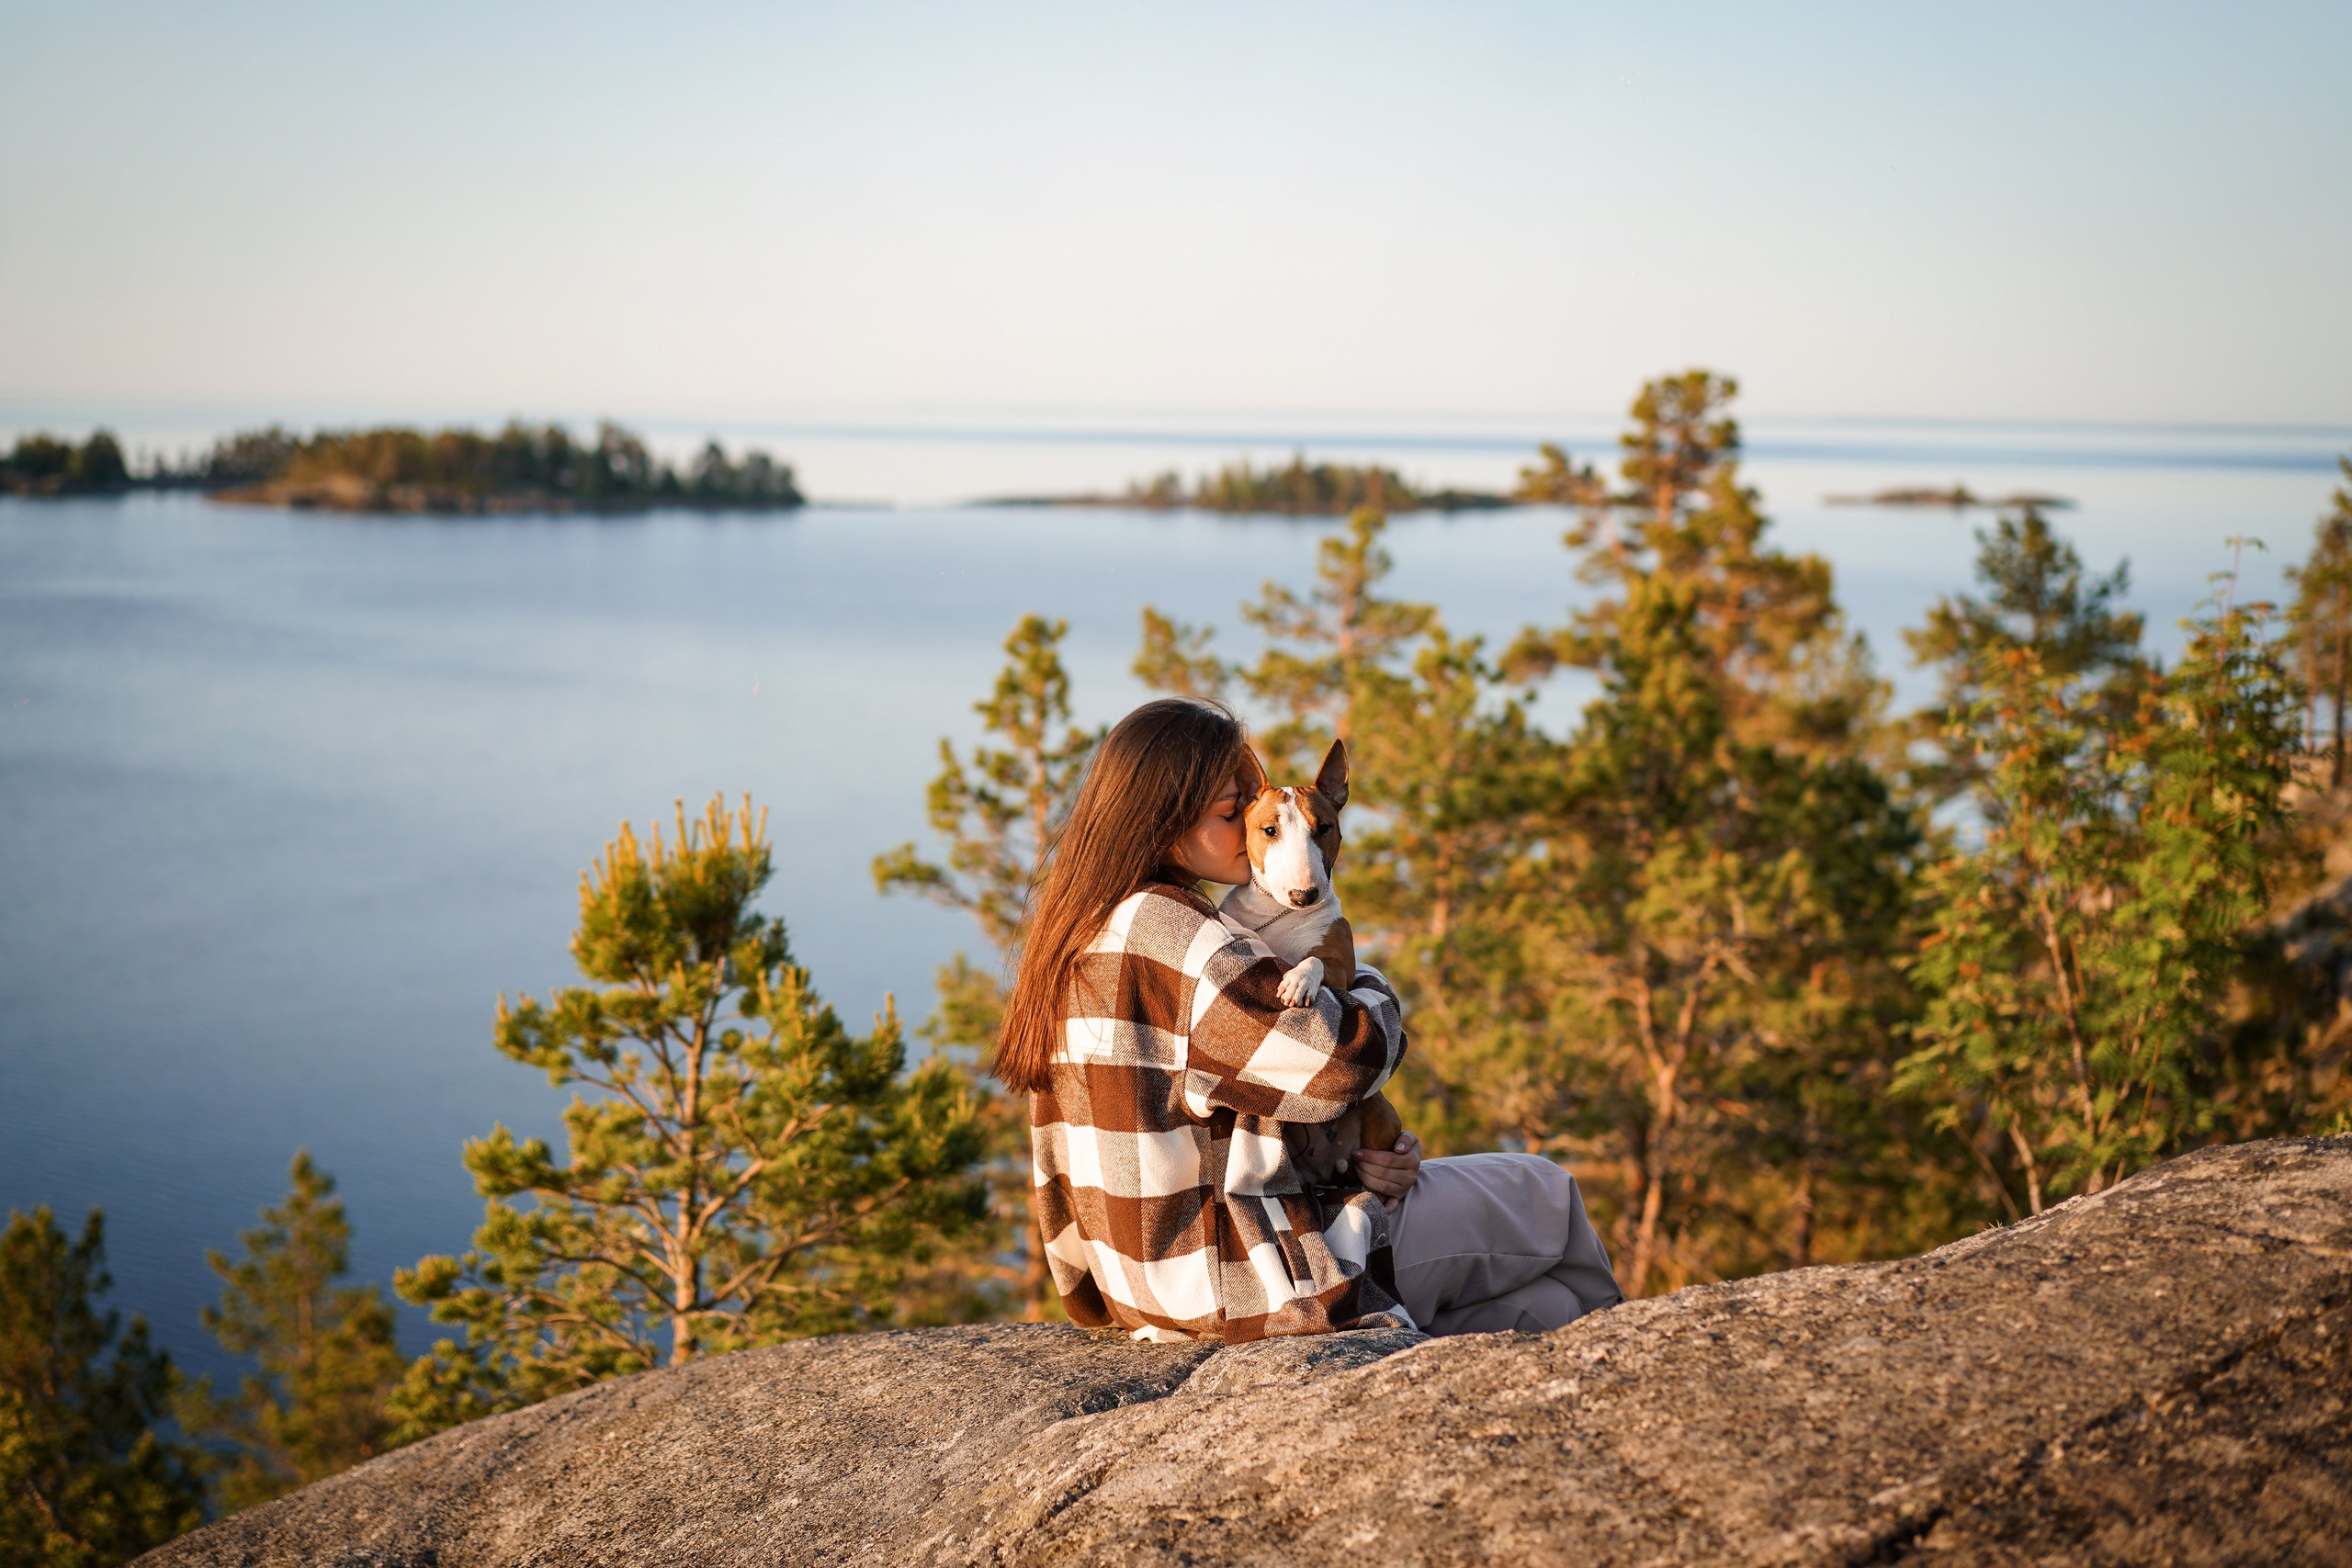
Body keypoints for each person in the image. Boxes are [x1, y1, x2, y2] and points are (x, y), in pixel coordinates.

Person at [998, 696, 1622, 1342]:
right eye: (1232, 809)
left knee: (1546, 1309)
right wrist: (1359, 970)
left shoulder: (1077, 931)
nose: (1253, 821)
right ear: (1164, 820)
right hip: (1250, 1270)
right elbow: (1344, 1060)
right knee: (1547, 1191)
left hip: (1141, 1283)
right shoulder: (1174, 933)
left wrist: (1361, 1155)